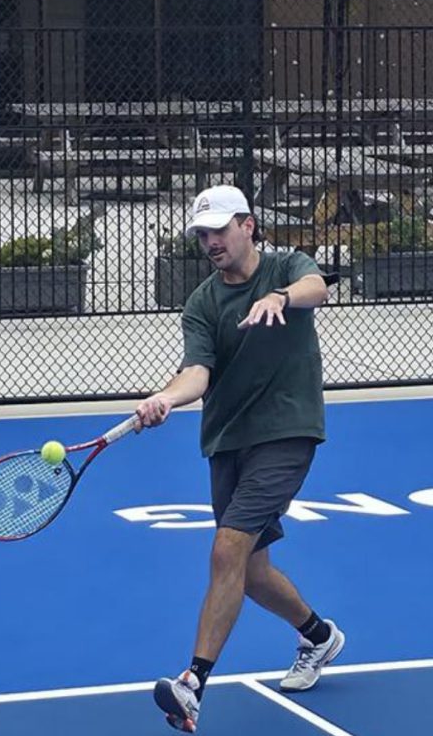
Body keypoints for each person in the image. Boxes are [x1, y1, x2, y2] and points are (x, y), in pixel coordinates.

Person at [135, 184, 345, 733]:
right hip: (227, 440)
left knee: (227, 547)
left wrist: (281, 297)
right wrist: (166, 397)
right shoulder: (203, 301)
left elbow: (317, 287)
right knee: (249, 573)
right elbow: (197, 373)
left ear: (248, 225)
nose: (210, 242)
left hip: (287, 431)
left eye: (219, 230)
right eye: (202, 234)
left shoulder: (285, 267)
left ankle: (192, 684)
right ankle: (319, 636)